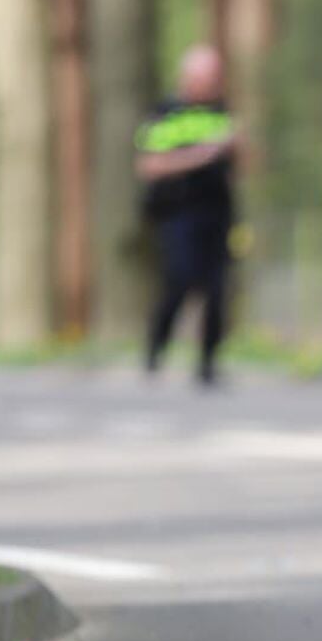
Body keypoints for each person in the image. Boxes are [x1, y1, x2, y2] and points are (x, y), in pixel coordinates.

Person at [136, 45, 239, 386]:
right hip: (178, 213)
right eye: (206, 77)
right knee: (179, 281)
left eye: (217, 78)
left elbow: (242, 164)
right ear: (189, 77)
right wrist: (201, 155)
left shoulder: (222, 112)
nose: (212, 84)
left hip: (218, 212)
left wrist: (237, 148)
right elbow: (149, 165)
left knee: (217, 288)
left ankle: (207, 362)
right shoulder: (166, 113)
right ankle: (155, 350)